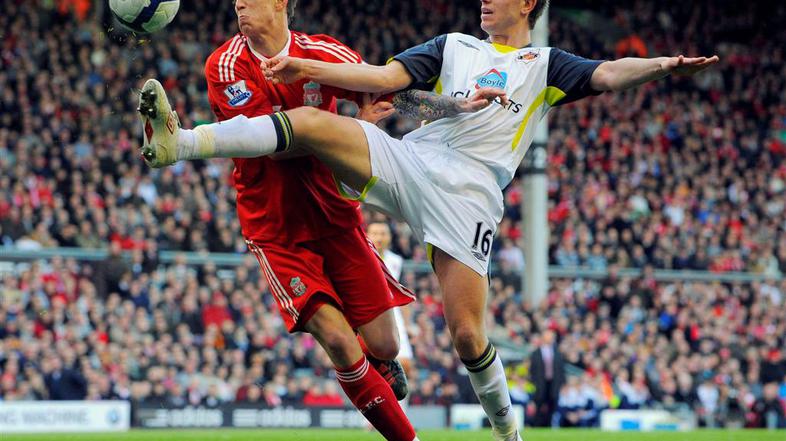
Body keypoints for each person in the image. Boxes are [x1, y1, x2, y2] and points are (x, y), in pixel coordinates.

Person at [139, 0, 718, 439]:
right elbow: (389, 81)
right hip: (411, 162)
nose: (486, 0)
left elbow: (610, 73)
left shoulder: (545, 65)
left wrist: (663, 66)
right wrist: (308, 70)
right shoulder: (453, 45)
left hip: (469, 196)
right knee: (314, 128)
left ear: (529, 5)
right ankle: (181, 143)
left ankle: (508, 432)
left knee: (466, 335)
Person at [136, 0, 494, 438]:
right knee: (340, 342)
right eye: (235, 1)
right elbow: (269, 141)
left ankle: (374, 363)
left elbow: (393, 96)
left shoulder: (322, 54)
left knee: (386, 345)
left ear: (281, 3)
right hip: (276, 229)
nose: (239, 4)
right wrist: (348, 132)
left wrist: (457, 107)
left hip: (336, 218)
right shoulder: (224, 65)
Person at [367, 221, 413, 410]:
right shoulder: (363, 256)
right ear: (367, 235)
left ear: (389, 237)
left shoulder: (396, 261)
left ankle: (402, 412)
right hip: (369, 315)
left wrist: (409, 324)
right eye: (375, 233)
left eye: (383, 233)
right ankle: (372, 415)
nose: (379, 237)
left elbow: (404, 292)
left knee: (405, 365)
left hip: (394, 316)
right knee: (371, 367)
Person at [530, 330, 565, 426]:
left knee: (552, 405)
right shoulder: (536, 353)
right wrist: (534, 383)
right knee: (539, 405)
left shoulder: (557, 353)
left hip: (553, 384)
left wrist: (561, 383)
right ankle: (537, 425)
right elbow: (533, 370)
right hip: (540, 384)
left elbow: (560, 370)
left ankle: (549, 424)